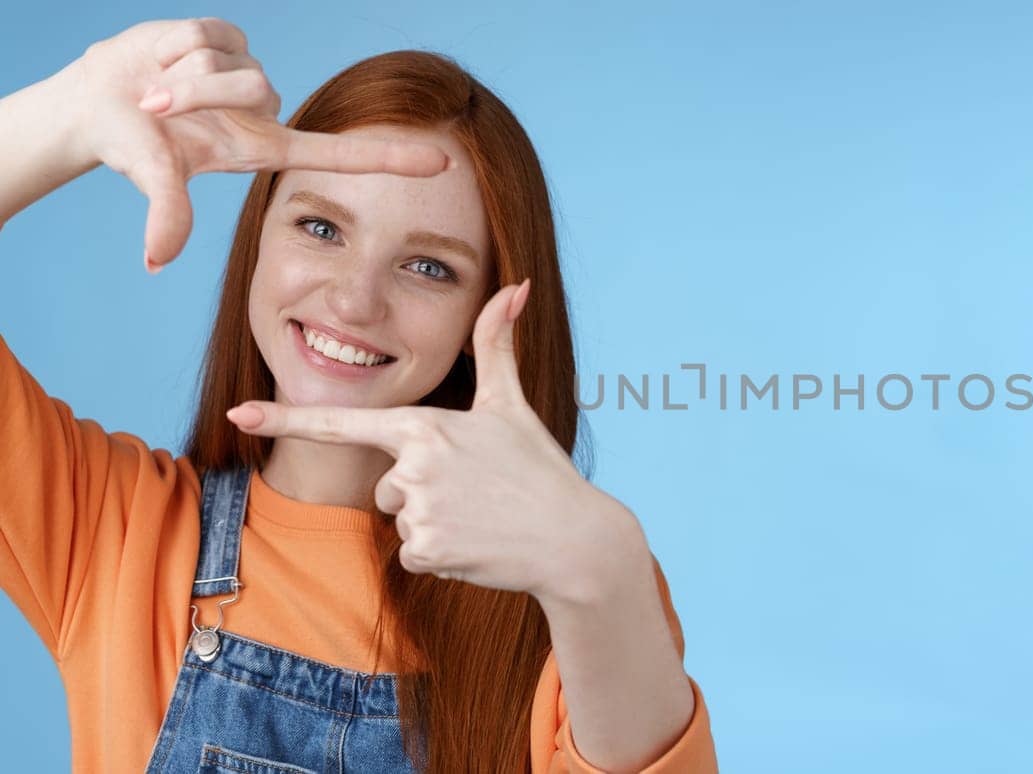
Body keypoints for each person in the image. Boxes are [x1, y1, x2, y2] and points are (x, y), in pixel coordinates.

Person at [0, 17, 717, 773]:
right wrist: (72, 107)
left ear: (490, 311)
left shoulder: (579, 590)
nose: (354, 301)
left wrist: (602, 568)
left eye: (429, 268)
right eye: (321, 226)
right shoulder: (113, 532)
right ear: (258, 235)